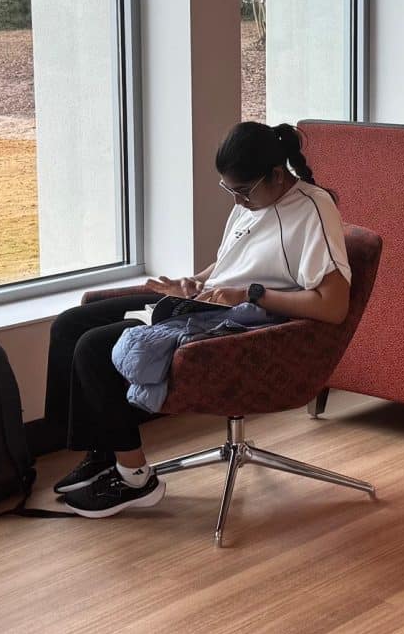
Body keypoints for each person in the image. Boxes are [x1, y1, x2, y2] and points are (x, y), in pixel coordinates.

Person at [45, 121, 351, 519]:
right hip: (207, 300)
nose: (237, 201)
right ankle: (103, 454)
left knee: (94, 347)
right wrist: (195, 281)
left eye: (243, 191)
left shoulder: (313, 210)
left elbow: (333, 306)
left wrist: (250, 294)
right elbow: (234, 261)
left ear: (277, 175)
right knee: (70, 324)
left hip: (238, 321)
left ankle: (135, 478)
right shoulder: (254, 199)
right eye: (230, 191)